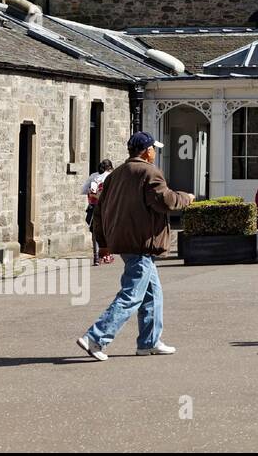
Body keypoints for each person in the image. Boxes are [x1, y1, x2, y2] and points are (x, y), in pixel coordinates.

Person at [76, 133, 194, 361]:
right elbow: (166, 201)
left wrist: (104, 244)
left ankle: (149, 342)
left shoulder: (115, 174)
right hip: (141, 242)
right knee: (132, 294)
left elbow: (99, 212)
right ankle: (96, 337)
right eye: (154, 149)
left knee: (153, 294)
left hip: (125, 241)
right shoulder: (149, 172)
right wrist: (187, 197)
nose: (155, 153)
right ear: (147, 150)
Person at [82, 159, 115, 265]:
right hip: (107, 207)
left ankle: (96, 257)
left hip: (94, 207)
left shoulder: (93, 176)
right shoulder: (111, 176)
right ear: (109, 168)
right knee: (108, 230)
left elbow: (84, 190)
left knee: (95, 232)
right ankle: (107, 256)